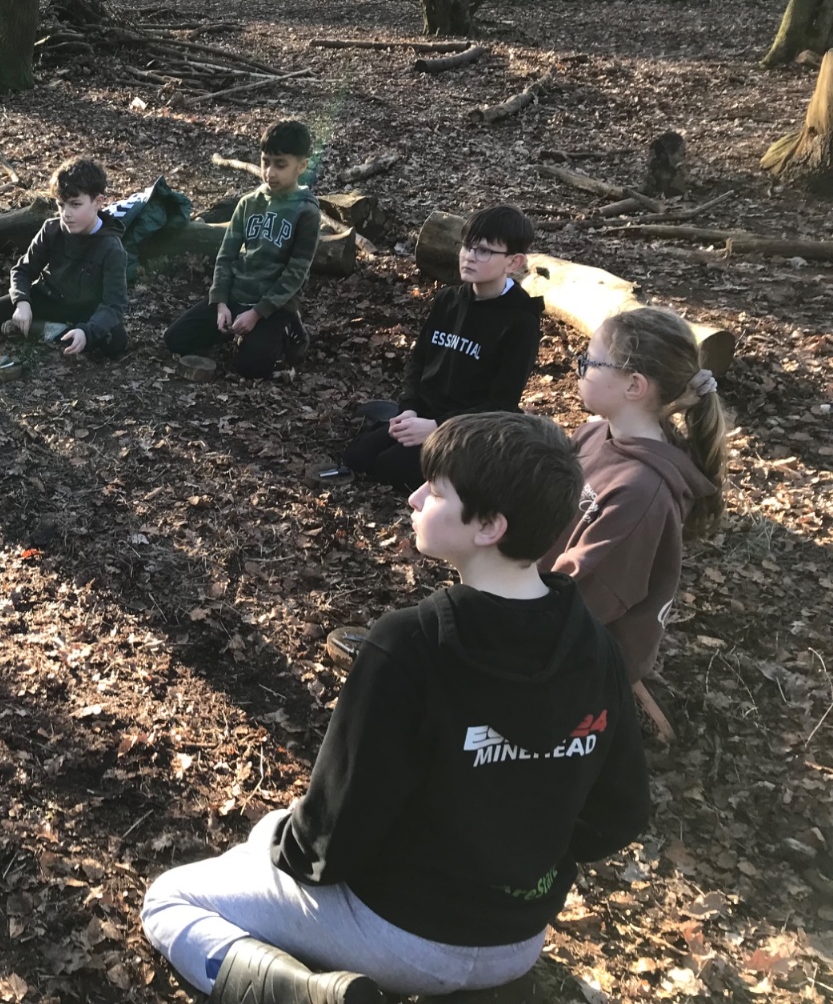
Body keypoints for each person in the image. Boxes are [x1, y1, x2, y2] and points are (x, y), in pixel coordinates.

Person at [141, 413, 649, 1003]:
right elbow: (620, 813)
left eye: (436, 491)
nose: (414, 497)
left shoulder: (410, 644)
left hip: (401, 933)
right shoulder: (597, 649)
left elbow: (328, 841)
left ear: (490, 526)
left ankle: (308, 993)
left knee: (171, 900)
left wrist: (277, 844)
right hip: (518, 938)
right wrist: (516, 863)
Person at [542, 307, 728, 682]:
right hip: (538, 611)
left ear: (634, 386)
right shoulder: (595, 433)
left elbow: (575, 605)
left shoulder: (641, 494)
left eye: (589, 362)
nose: (579, 369)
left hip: (571, 662)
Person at [343, 204, 543, 491]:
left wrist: (437, 427)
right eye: (467, 246)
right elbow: (419, 361)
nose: (469, 256)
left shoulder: (521, 321)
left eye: (483, 251)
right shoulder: (448, 300)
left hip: (469, 429)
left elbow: (501, 404)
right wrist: (409, 409)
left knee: (390, 468)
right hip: (424, 413)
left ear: (513, 262)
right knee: (356, 457)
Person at [163, 120, 320, 379]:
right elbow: (226, 256)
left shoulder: (307, 212)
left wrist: (256, 314)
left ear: (301, 166)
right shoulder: (248, 203)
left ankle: (288, 329)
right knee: (175, 339)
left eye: (280, 165)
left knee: (250, 368)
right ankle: (236, 330)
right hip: (236, 296)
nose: (269, 172)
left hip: (272, 306)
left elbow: (296, 273)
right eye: (265, 162)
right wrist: (221, 302)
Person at [0, 157, 128, 358]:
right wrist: (22, 302)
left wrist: (86, 331)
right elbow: (23, 270)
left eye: (75, 204)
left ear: (98, 202)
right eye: (61, 205)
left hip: (84, 312)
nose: (66, 214)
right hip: (46, 298)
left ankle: (41, 328)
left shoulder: (111, 248)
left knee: (115, 341)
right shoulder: (52, 229)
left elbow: (113, 304)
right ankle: (35, 324)